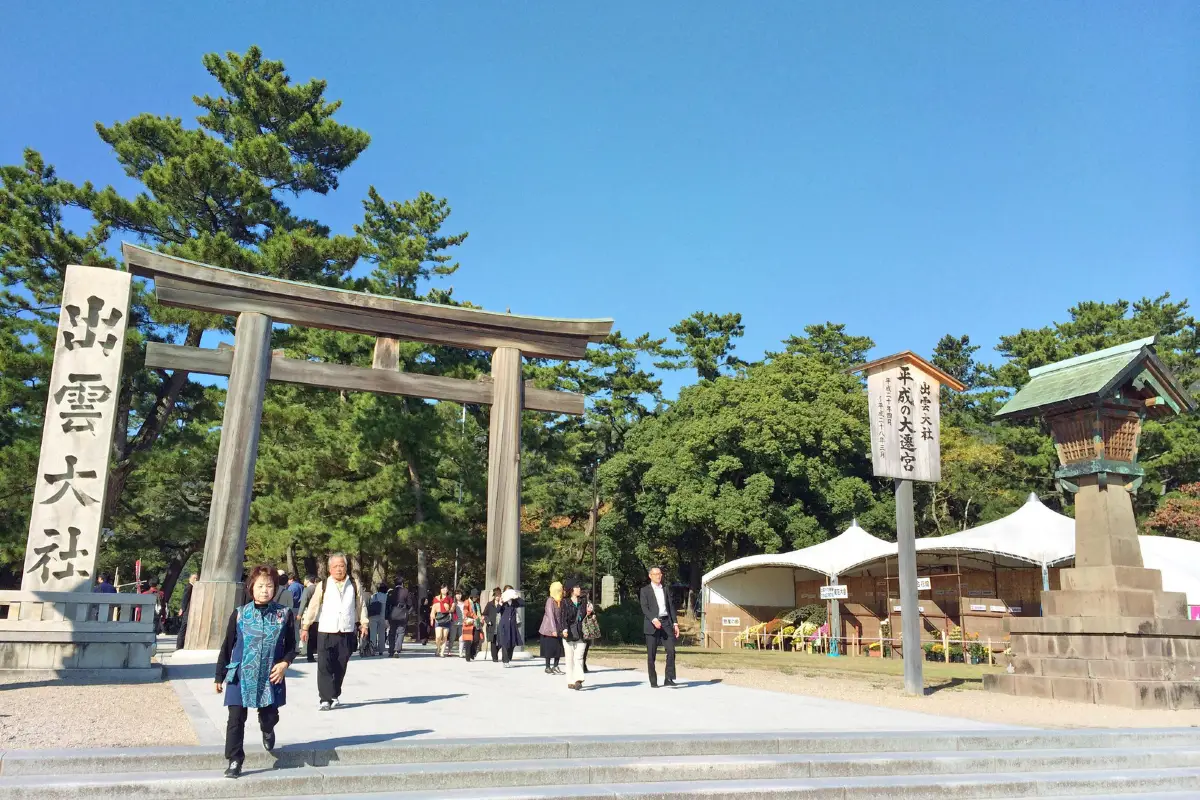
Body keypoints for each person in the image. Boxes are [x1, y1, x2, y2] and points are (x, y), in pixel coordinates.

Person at [214, 564, 296, 779]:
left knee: (269, 716)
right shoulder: (240, 614)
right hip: (240, 673)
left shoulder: (283, 614)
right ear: (251, 587)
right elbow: (227, 645)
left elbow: (291, 647)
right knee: (235, 718)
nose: (265, 590)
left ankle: (267, 729)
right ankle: (234, 759)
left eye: (269, 586)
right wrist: (218, 675)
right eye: (260, 586)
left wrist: (285, 664)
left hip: (270, 674)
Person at [300, 554, 369, 711]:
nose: (339, 569)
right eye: (335, 566)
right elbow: (313, 606)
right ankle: (324, 699)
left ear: (346, 567)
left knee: (341, 665)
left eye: (342, 566)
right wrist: (305, 626)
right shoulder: (323, 585)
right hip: (326, 630)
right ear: (330, 569)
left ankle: (334, 693)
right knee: (324, 665)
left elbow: (361, 605)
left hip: (346, 630)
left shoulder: (354, 583)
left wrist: (364, 623)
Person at [639, 566, 679, 688]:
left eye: (660, 574)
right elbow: (644, 607)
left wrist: (675, 623)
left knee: (671, 650)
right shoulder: (645, 590)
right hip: (652, 625)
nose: (658, 576)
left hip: (666, 622)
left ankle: (669, 678)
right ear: (650, 576)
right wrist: (653, 619)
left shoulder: (665, 589)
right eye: (656, 574)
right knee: (651, 655)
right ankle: (653, 680)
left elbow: (670, 607)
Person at [561, 583, 589, 690]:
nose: (579, 589)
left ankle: (578, 679)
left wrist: (589, 612)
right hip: (568, 633)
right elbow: (562, 617)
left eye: (579, 587)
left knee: (579, 657)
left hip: (581, 632)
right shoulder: (565, 602)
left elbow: (584, 616)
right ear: (571, 590)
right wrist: (564, 629)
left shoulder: (583, 601)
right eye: (577, 587)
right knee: (569, 658)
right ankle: (570, 680)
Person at [537, 581, 565, 675]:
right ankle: (547, 667)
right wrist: (553, 630)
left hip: (558, 628)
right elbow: (550, 615)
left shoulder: (560, 601)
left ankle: (556, 666)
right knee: (549, 648)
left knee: (558, 648)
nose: (561, 591)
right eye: (560, 590)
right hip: (548, 629)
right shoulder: (550, 600)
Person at [385, 577, 412, 657]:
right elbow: (410, 604)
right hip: (402, 613)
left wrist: (386, 617)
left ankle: (391, 650)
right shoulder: (406, 592)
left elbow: (387, 605)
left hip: (393, 613)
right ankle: (397, 649)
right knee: (401, 632)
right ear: (402, 584)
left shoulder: (391, 592)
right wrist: (407, 611)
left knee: (392, 632)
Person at [498, 586, 524, 666]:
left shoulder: (514, 601)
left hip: (512, 625)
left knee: (512, 643)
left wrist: (516, 597)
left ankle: (508, 658)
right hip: (504, 625)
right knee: (505, 643)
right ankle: (505, 661)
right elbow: (497, 610)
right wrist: (500, 603)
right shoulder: (503, 602)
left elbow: (523, 603)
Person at [297, 575, 318, 663]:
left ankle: (310, 655)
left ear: (307, 580)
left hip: (309, 614)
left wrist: (299, 614)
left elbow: (304, 602)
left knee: (310, 636)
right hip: (318, 614)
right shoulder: (318, 588)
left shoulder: (307, 589)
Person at [430, 585, 454, 657]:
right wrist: (432, 618)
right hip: (438, 617)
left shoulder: (449, 598)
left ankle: (442, 652)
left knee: (445, 636)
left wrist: (450, 609)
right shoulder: (436, 598)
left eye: (445, 589)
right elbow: (433, 609)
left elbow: (453, 607)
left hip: (446, 618)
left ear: (447, 590)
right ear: (440, 590)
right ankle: (438, 648)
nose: (444, 590)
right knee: (438, 636)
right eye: (443, 588)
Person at [177, 573, 199, 649]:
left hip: (190, 609)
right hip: (187, 609)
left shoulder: (193, 587)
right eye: (194, 578)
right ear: (190, 578)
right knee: (184, 626)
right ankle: (179, 645)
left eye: (196, 578)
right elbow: (185, 598)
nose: (195, 580)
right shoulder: (189, 587)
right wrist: (182, 609)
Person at [581, 590, 602, 673]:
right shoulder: (580, 602)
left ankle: (584, 663)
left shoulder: (589, 602)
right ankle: (581, 664)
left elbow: (592, 611)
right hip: (582, 626)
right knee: (581, 648)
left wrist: (592, 614)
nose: (587, 596)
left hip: (589, 627)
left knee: (586, 647)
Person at [482, 587, 503, 663]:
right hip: (492, 625)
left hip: (501, 625)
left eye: (499, 595)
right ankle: (494, 657)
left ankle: (496, 652)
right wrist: (488, 621)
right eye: (496, 595)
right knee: (493, 642)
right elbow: (484, 614)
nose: (498, 597)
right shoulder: (490, 604)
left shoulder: (503, 604)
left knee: (501, 642)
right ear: (494, 596)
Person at [367, 582, 388, 657]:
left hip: (373, 617)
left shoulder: (374, 596)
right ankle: (381, 650)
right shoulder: (386, 596)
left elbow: (369, 605)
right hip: (382, 617)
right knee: (381, 634)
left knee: (373, 633)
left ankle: (372, 649)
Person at [460, 591, 479, 662]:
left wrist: (480, 617)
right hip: (468, 623)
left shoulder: (477, 603)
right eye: (474, 597)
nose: (475, 598)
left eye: (476, 597)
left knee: (476, 639)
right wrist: (474, 616)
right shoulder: (466, 602)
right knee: (468, 641)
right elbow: (465, 612)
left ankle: (472, 653)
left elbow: (479, 612)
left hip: (476, 624)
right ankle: (468, 656)